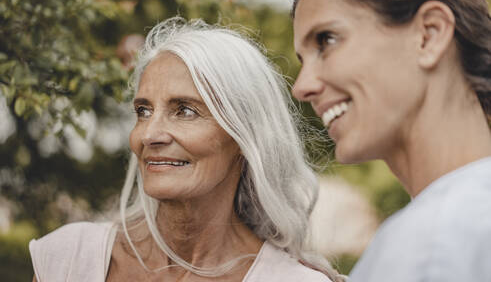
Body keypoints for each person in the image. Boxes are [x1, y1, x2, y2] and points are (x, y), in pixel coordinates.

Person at [29, 18, 342, 281]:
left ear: (243, 137)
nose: (149, 134)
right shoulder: (67, 260)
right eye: (143, 110)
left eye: (185, 111)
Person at [291, 0, 491, 281]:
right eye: (302, 59)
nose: (302, 86)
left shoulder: (435, 241)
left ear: (429, 34)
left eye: (326, 40)